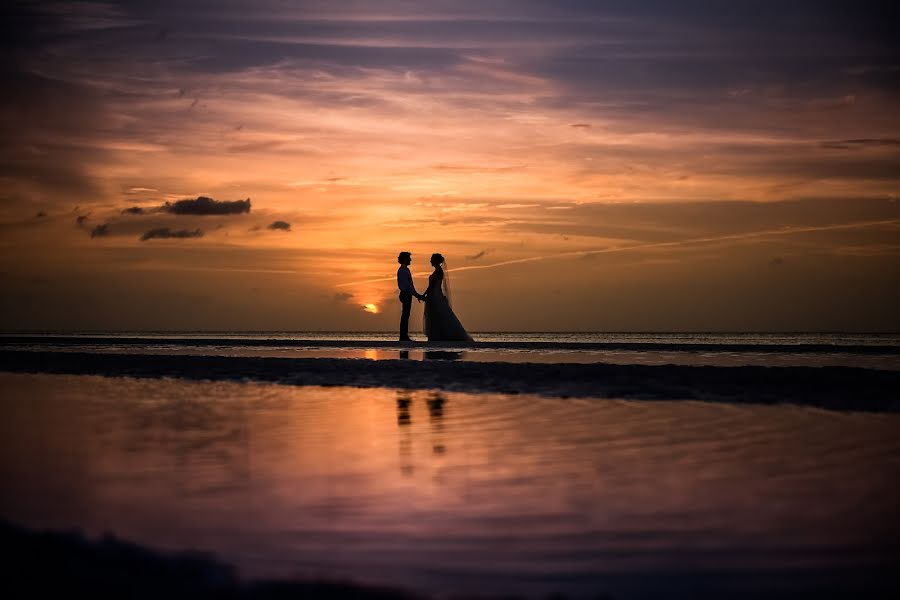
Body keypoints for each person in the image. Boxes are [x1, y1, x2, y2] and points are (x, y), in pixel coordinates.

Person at [422, 253, 473, 342]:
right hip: (434, 295)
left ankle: (439, 336)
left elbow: (432, 286)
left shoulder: (438, 271)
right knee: (436, 316)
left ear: (436, 261)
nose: (430, 261)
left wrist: (423, 295)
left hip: (435, 296)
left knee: (439, 315)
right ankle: (436, 336)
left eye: (432, 259)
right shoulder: (437, 271)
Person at [396, 251, 423, 342]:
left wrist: (416, 295)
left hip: (407, 293)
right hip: (405, 294)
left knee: (406, 314)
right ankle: (403, 336)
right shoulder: (403, 270)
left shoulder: (405, 270)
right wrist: (417, 295)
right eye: (408, 258)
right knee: (405, 315)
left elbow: (410, 286)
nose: (410, 259)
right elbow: (408, 287)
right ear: (404, 259)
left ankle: (404, 335)